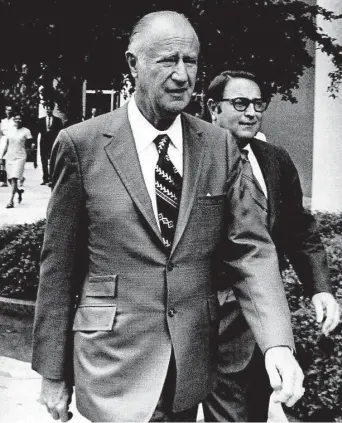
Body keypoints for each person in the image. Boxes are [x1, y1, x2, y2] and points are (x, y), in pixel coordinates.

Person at [32, 12, 304, 423]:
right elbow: (59, 267)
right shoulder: (81, 145)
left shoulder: (218, 146)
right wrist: (52, 372)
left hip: (189, 361)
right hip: (112, 362)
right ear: (132, 64)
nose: (182, 75)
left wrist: (278, 344)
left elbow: (250, 249)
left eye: (190, 61)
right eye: (167, 61)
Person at [204, 69, 340, 422]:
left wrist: (320, 289)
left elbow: (300, 230)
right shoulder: (195, 161)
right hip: (208, 327)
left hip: (263, 330)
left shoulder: (275, 160)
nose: (251, 112)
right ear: (212, 108)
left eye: (258, 104)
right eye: (239, 103)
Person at [0, 113, 33, 208]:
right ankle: (18, 191)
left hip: (20, 157)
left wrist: (33, 158)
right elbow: (6, 145)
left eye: (20, 119)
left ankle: (11, 201)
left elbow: (30, 145)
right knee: (10, 179)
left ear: (22, 120)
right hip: (9, 157)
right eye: (16, 119)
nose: (18, 120)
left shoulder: (26, 131)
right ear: (13, 120)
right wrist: (1, 157)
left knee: (14, 178)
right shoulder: (10, 131)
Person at [36, 101, 63, 185]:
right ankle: (45, 179)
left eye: (50, 109)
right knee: (43, 160)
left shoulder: (58, 120)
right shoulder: (41, 120)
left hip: (53, 142)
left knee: (53, 160)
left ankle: (52, 178)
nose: (48, 111)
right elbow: (38, 130)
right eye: (47, 109)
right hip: (44, 142)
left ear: (52, 110)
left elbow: (60, 131)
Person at [0, 105, 15, 187]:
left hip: (11, 141)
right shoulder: (3, 121)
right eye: (7, 110)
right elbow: (1, 133)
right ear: (5, 111)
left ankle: (16, 178)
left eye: (10, 110)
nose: (9, 112)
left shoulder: (14, 121)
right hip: (3, 141)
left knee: (9, 160)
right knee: (2, 161)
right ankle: (3, 180)